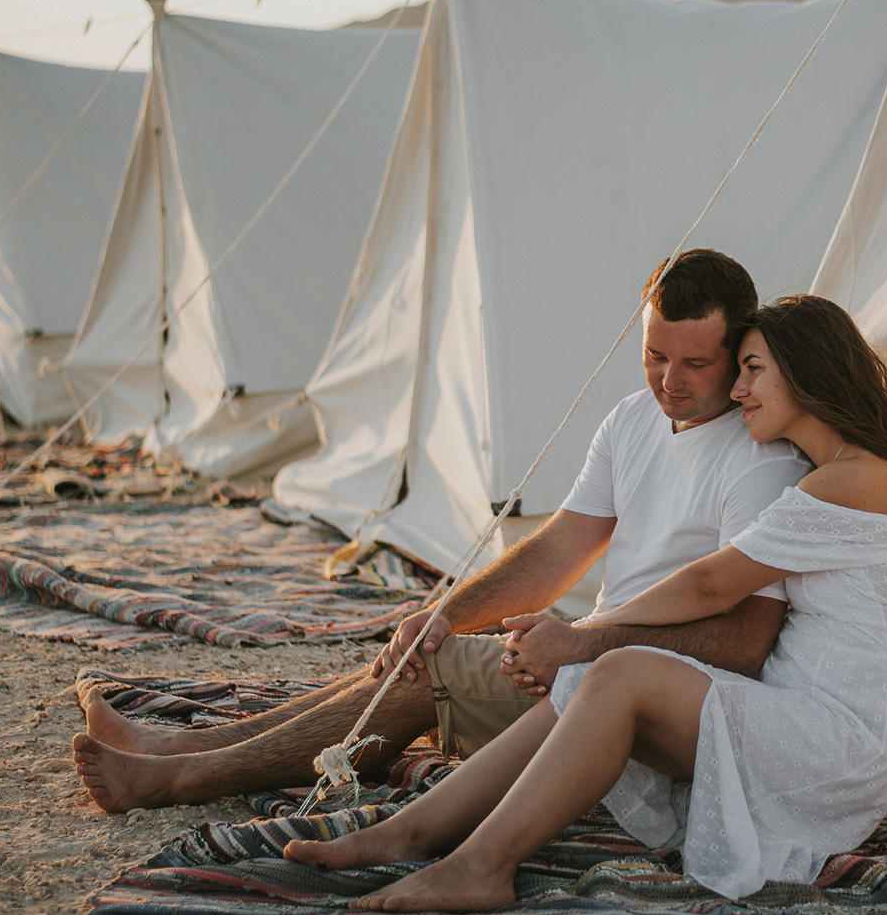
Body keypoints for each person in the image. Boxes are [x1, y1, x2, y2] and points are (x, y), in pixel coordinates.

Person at [280, 295, 887, 909]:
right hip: (806, 716)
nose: (739, 387)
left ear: (806, 373)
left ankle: (479, 864)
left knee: (611, 667)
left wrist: (580, 634)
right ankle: (411, 832)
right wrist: (578, 647)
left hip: (842, 740)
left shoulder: (854, 479)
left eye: (753, 369)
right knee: (596, 673)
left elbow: (710, 585)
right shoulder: (839, 474)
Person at [70, 249, 811, 812]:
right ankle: (180, 743)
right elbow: (559, 548)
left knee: (430, 674)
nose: (668, 380)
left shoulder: (760, 461)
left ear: (739, 348)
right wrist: (445, 612)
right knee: (417, 649)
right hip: (592, 659)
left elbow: (746, 643)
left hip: (652, 701)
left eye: (695, 363)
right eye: (653, 354)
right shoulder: (632, 418)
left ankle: (179, 776)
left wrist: (583, 644)